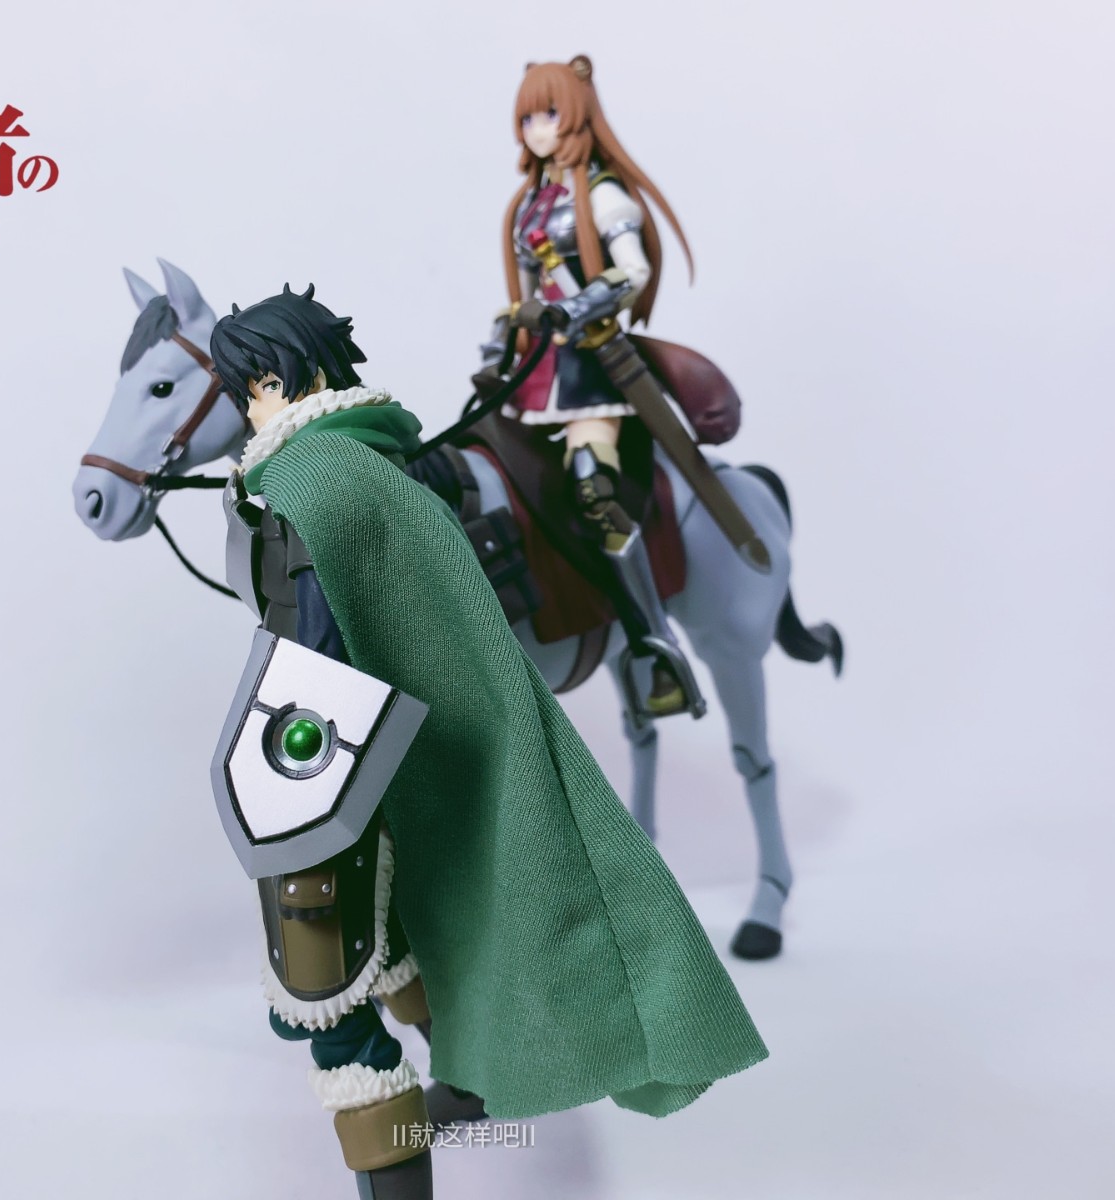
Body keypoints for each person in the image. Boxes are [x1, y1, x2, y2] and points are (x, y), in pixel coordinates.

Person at [210, 285, 767, 1199]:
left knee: (330, 1004)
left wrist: (295, 785)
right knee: (400, 954)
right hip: (381, 771)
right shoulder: (362, 466)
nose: (246, 414)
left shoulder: (315, 482)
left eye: (247, 394)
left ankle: (649, 634)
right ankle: (475, 1076)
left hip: (339, 780)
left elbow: (317, 659)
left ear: (272, 381)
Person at [494, 54, 698, 713]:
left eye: (549, 113)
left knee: (593, 489)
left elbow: (632, 271)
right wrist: (505, 343)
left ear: (577, 114)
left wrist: (578, 307)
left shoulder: (603, 194)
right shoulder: (529, 205)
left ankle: (657, 645)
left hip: (591, 374)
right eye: (527, 116)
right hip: (535, 375)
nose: (536, 128)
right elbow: (525, 295)